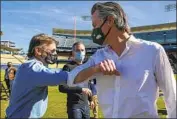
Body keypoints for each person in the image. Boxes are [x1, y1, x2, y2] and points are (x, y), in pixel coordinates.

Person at [67, 2, 176, 118]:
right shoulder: (98, 56)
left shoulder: (153, 51)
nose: (93, 31)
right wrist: (96, 69)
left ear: (110, 20)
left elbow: (172, 96)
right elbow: (71, 79)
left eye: (95, 25)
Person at [6, 33, 68, 118]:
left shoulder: (30, 66)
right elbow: (60, 77)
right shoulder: (32, 67)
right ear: (38, 51)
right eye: (53, 51)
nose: (55, 54)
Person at [59, 42, 94, 119]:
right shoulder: (67, 67)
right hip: (74, 106)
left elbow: (88, 85)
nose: (80, 52)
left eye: (82, 50)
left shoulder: (86, 67)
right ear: (73, 52)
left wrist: (90, 99)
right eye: (77, 50)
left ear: (85, 52)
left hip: (86, 105)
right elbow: (62, 87)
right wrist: (80, 89)